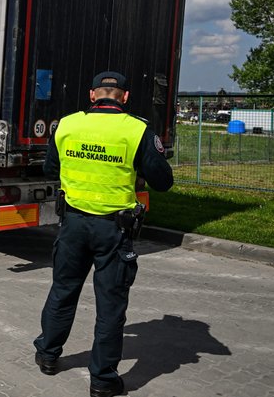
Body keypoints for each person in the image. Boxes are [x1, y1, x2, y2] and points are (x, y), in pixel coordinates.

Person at [33, 71, 173, 397]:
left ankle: (48, 355)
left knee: (63, 291)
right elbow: (163, 181)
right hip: (114, 229)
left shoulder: (67, 125)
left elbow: (51, 169)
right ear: (124, 97)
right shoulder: (137, 130)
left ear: (93, 95)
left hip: (73, 225)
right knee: (110, 306)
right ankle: (103, 380)